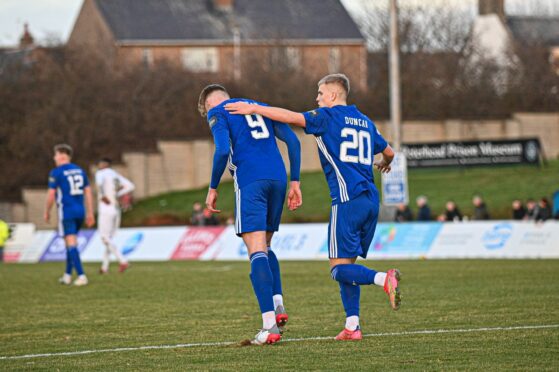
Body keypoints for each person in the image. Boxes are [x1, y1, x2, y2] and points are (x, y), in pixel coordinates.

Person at [225, 73, 401, 341]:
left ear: (332, 95)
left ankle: (383, 279)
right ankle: (352, 326)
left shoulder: (327, 118)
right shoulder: (365, 121)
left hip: (346, 200)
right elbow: (389, 151)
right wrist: (385, 162)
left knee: (337, 269)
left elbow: (291, 117)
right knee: (348, 264)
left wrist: (254, 108)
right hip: (370, 201)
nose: (316, 99)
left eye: (319, 94)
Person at [198, 84, 302, 345]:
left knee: (255, 249)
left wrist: (212, 188)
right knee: (265, 245)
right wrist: (295, 182)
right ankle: (277, 302)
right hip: (278, 178)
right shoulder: (260, 106)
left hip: (250, 179)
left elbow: (222, 150)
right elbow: (293, 141)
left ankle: (269, 327)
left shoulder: (217, 113)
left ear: (208, 105)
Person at [44, 144, 94, 286]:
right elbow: (88, 192)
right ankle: (67, 275)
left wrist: (47, 211)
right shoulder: (80, 170)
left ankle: (81, 275)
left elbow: (51, 194)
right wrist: (90, 212)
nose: (54, 158)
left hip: (67, 211)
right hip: (80, 211)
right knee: (69, 242)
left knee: (71, 242)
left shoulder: (56, 172)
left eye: (55, 155)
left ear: (61, 155)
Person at [95, 158, 135, 274]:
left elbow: (99, 184)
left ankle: (123, 260)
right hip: (116, 209)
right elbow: (130, 186)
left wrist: (103, 195)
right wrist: (117, 195)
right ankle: (104, 267)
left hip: (106, 207)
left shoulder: (100, 173)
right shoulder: (115, 174)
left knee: (104, 237)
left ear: (102, 164)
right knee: (109, 239)